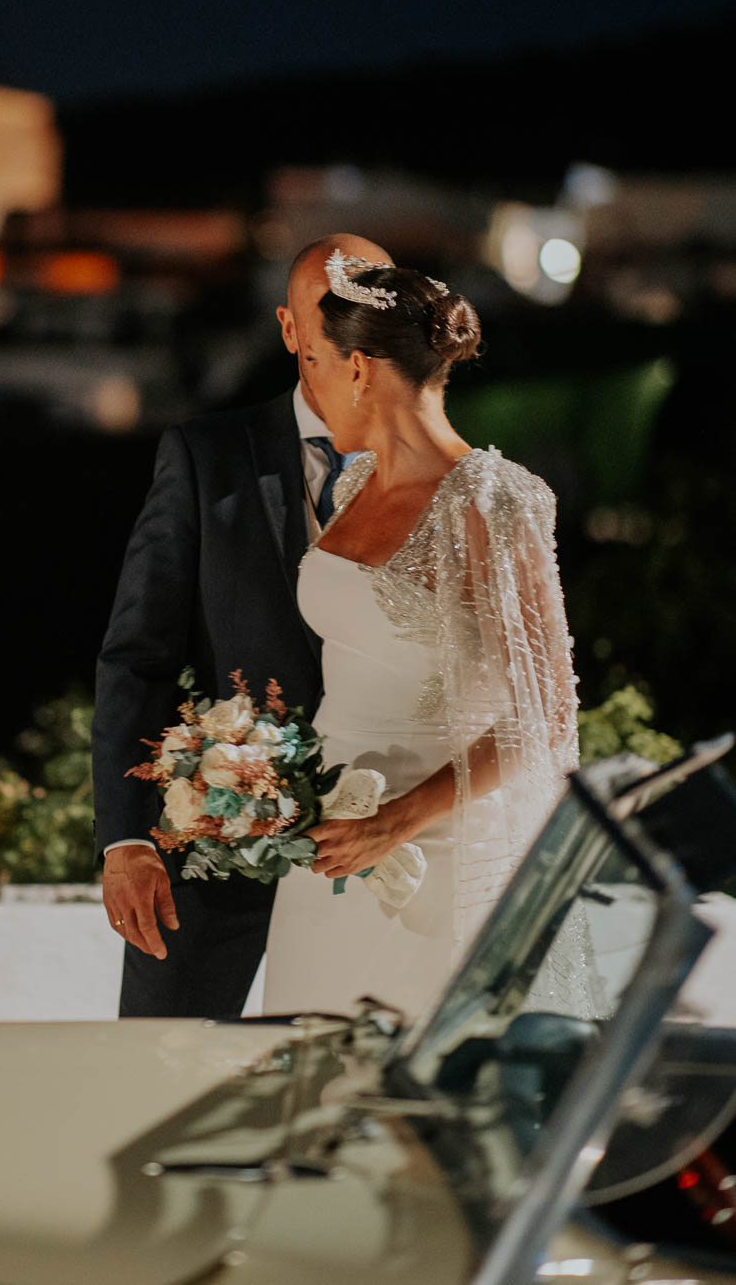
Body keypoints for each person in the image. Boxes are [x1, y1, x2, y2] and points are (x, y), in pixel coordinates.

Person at [263, 256, 585, 1019]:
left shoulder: (490, 498)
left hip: (431, 854)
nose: (307, 390)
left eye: (316, 363)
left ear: (361, 368)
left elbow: (544, 714)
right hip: (323, 850)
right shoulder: (349, 488)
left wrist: (394, 821)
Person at [94, 232, 393, 1018]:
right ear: (289, 329)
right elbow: (139, 656)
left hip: (381, 842)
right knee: (159, 1066)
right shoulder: (205, 456)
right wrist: (125, 838)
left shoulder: (425, 468)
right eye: (322, 315)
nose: (342, 331)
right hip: (218, 844)